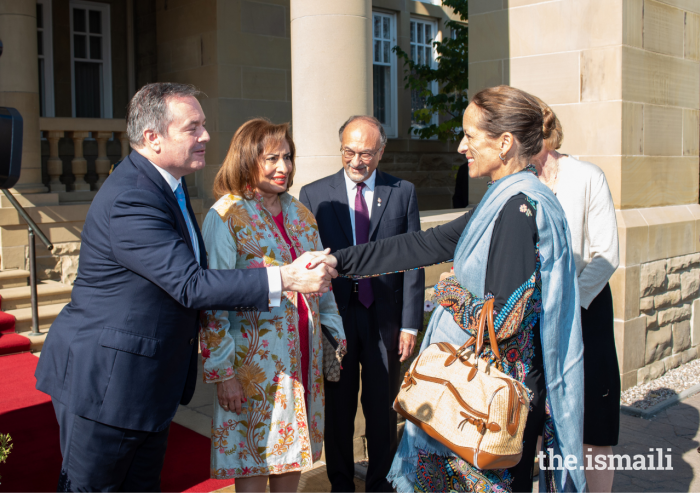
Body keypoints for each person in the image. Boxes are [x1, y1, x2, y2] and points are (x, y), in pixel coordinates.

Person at [34, 83, 336, 492]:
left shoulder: (168, 188)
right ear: (152, 138)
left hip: (146, 385)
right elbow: (191, 285)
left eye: (204, 126)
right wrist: (286, 278)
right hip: (107, 385)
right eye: (193, 128)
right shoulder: (133, 197)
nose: (206, 136)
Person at [308, 86, 587, 493]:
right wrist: (339, 262)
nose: (461, 147)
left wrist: (448, 292)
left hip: (492, 413)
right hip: (491, 406)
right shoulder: (505, 199)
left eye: (470, 136)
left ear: (505, 143)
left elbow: (506, 321)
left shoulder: (515, 209)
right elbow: (426, 244)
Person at [199, 118, 346, 492]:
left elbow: (322, 285)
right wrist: (223, 372)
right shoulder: (226, 216)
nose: (284, 167)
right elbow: (211, 300)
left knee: (292, 453)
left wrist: (334, 334)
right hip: (252, 368)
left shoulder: (300, 213)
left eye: (288, 157)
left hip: (303, 361)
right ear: (247, 159)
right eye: (272, 158)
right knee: (254, 458)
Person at [299, 115, 425, 492]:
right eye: (349, 152)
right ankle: (339, 482)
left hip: (384, 318)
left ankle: (381, 482)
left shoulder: (402, 192)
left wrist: (410, 324)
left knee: (382, 406)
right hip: (336, 317)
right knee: (338, 407)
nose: (356, 161)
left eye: (366, 153)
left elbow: (414, 260)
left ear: (381, 151)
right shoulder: (314, 194)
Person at [532, 100, 620, 493]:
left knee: (593, 417)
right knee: (533, 415)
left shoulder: (587, 176)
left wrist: (569, 301)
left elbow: (606, 254)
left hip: (586, 309)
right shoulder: (516, 182)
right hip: (532, 315)